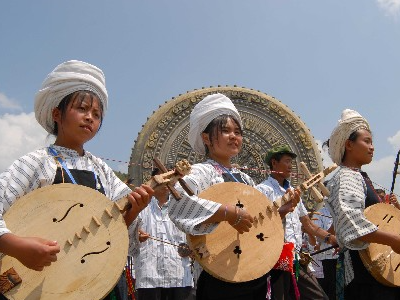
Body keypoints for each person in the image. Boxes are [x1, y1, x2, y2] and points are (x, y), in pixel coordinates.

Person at [0, 60, 153, 300]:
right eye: (82, 109)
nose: (90, 118)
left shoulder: (102, 171)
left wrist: (133, 210)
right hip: (43, 285)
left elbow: (117, 234)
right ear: (56, 114)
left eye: (97, 114)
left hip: (92, 282)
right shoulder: (36, 163)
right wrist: (16, 247)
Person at [167, 93, 296, 300]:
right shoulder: (200, 172)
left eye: (238, 132)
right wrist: (227, 212)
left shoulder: (245, 179)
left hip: (251, 266)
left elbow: (255, 221)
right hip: (217, 272)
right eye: (225, 131)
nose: (234, 136)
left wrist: (280, 211)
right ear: (206, 138)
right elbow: (178, 203)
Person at [323, 108, 400, 299]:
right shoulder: (347, 177)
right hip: (365, 272)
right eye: (366, 141)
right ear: (349, 144)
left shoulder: (359, 177)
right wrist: (393, 240)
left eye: (372, 142)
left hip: (373, 270)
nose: (372, 147)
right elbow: (351, 223)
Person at [256, 145, 336, 300]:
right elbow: (260, 226)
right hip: (275, 260)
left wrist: (330, 238)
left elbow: (308, 225)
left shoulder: (294, 191)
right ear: (274, 162)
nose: (290, 165)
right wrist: (285, 209)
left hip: (296, 259)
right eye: (286, 161)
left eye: (291, 162)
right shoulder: (262, 190)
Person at [133, 168, 193, 300]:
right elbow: (127, 232)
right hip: (149, 277)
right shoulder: (140, 207)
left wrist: (193, 248)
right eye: (161, 180)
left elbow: (194, 235)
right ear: (153, 182)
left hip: (179, 276)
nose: (166, 183)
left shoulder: (182, 208)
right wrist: (136, 235)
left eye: (170, 180)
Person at [311, 204, 338, 300]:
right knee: (329, 292)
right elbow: (317, 238)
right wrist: (335, 223)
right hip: (327, 259)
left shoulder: (342, 209)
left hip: (342, 257)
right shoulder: (320, 213)